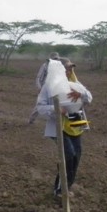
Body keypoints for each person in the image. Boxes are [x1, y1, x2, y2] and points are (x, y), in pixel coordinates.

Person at [35, 57, 92, 199]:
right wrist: (56, 109)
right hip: (59, 122)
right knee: (68, 155)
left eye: (71, 68)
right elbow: (40, 107)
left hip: (75, 118)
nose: (69, 71)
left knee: (76, 155)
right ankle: (60, 191)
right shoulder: (49, 86)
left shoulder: (74, 82)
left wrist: (81, 95)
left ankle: (67, 186)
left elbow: (89, 97)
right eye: (66, 68)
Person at [28, 52, 60, 124]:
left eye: (57, 59)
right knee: (40, 105)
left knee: (56, 104)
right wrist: (39, 88)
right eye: (55, 59)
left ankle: (55, 122)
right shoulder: (45, 66)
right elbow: (39, 77)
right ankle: (32, 119)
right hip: (44, 89)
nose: (56, 60)